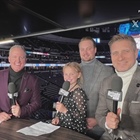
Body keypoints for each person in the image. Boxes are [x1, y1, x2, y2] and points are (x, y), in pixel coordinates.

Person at [95, 34, 140, 140]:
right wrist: (107, 123)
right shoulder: (106, 83)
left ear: (135, 52)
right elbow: (99, 115)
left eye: (126, 51)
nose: (120, 57)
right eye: (115, 53)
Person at [78, 36, 114, 139]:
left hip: (98, 127)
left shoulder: (107, 71)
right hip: (76, 125)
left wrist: (98, 120)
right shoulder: (73, 70)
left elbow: (111, 101)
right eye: (82, 49)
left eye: (88, 48)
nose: (85, 52)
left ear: (95, 50)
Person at [0, 45, 41, 122]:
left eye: (21, 57)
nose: (18, 61)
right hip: (1, 121)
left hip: (22, 122)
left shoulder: (33, 80)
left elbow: (36, 103)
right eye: (14, 57)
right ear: (9, 59)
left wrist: (21, 111)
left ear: (25, 60)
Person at [51, 62, 87, 134]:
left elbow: (81, 118)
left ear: (79, 75)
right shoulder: (65, 88)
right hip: (63, 128)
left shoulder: (78, 93)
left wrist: (64, 110)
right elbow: (60, 110)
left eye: (72, 74)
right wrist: (57, 118)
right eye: (66, 74)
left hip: (73, 131)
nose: (68, 77)